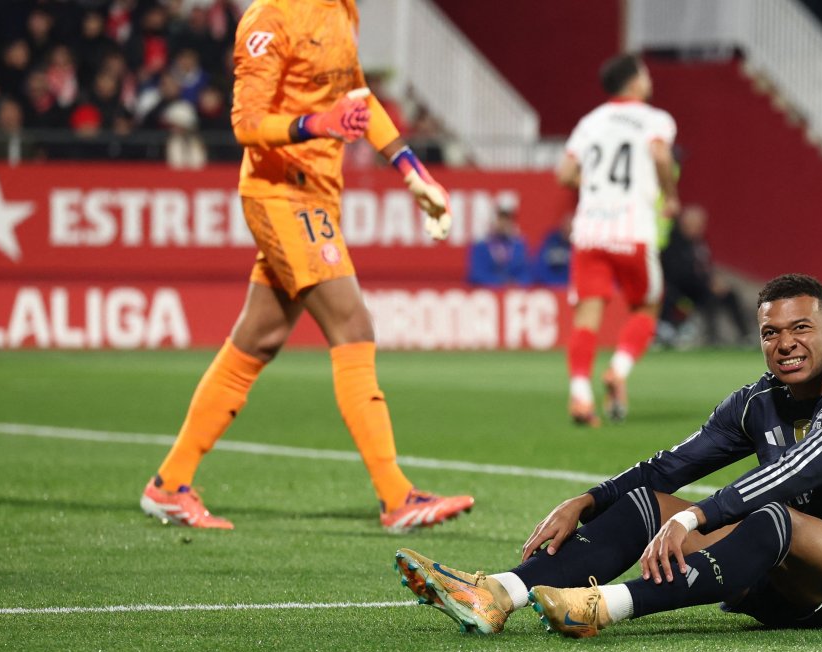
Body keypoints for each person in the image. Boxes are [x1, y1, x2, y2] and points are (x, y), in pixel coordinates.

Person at [395, 274, 822, 637]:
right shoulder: (757, 402)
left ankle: (605, 606)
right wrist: (590, 499)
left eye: (800, 329)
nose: (785, 343)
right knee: (649, 503)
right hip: (785, 585)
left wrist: (697, 516)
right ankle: (500, 593)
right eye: (771, 333)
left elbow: (795, 471)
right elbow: (670, 465)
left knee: (773, 515)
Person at [139, 0, 473, 532]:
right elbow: (247, 124)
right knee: (353, 324)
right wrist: (320, 123)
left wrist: (413, 171)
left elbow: (358, 98)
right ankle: (397, 497)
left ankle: (169, 484)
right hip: (281, 193)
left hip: (317, 193)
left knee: (258, 339)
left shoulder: (341, 11)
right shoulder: (269, 19)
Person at [556, 53, 679, 426]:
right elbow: (659, 154)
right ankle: (618, 370)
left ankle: (580, 395)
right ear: (635, 81)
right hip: (632, 229)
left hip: (591, 230)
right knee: (647, 308)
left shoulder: (590, 122)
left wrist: (594, 187)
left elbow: (564, 173)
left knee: (586, 317)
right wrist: (670, 195)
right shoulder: (655, 119)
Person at [659, 205, 752, 347]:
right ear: (684, 223)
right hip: (682, 290)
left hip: (701, 287)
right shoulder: (673, 243)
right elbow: (680, 273)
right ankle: (712, 337)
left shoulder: (699, 242)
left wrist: (714, 279)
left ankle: (745, 336)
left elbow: (704, 266)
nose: (699, 228)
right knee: (710, 298)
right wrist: (707, 283)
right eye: (695, 224)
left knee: (730, 295)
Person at [466, 203, 532, 286]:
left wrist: (516, 283)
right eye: (500, 220)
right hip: (487, 292)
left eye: (507, 220)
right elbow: (476, 274)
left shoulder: (518, 245)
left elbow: (526, 273)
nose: (503, 224)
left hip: (513, 292)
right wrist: (499, 282)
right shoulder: (481, 246)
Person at [531, 212, 573, 287]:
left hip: (571, 287)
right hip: (550, 288)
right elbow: (540, 267)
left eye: (571, 227)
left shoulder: (581, 246)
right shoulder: (551, 241)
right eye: (567, 225)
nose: (568, 229)